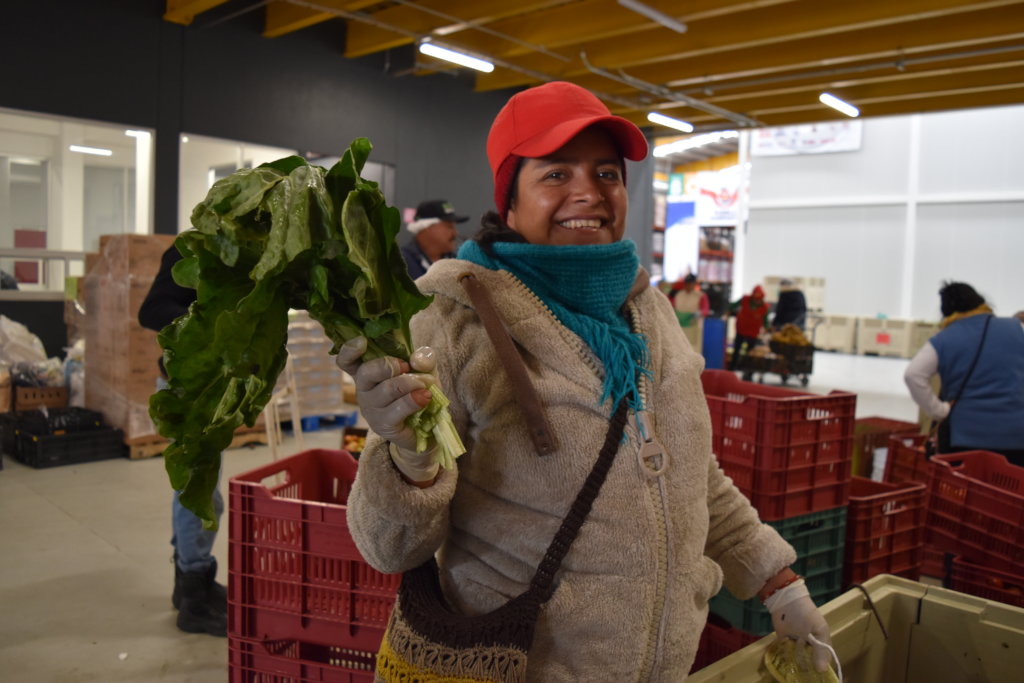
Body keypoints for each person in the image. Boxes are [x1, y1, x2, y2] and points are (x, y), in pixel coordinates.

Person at [338, 81, 833, 679]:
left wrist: (778, 582)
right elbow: (389, 549)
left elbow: (687, 471)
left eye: (606, 174)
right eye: (555, 174)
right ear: (510, 203)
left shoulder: (648, 312)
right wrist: (406, 464)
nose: (588, 193)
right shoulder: (450, 325)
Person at [138, 243, 227, 637]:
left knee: (199, 491)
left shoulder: (247, 256)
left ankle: (192, 585)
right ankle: (194, 598)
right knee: (198, 494)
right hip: (188, 384)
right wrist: (210, 325)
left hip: (213, 384)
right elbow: (151, 310)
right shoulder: (192, 249)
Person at [904, 281, 1024, 465]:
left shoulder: (944, 339)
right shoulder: (1016, 328)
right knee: (1009, 490)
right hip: (1015, 437)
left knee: (964, 490)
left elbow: (913, 374)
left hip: (966, 438)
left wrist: (939, 411)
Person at [400, 199, 467, 279]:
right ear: (428, 227)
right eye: (449, 227)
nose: (455, 233)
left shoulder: (456, 263)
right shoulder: (399, 263)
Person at [728, 284, 770, 373]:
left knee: (750, 353)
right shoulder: (745, 299)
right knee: (736, 351)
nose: (757, 300)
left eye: (759, 299)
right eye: (755, 299)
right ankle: (731, 370)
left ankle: (748, 372)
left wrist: (767, 328)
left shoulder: (764, 307)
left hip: (753, 332)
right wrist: (730, 311)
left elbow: (765, 320)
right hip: (741, 329)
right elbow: (732, 306)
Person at [674, 273, 710, 354]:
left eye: (691, 283)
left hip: (694, 326)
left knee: (693, 350)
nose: (689, 285)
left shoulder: (700, 295)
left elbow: (705, 310)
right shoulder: (679, 295)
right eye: (687, 283)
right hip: (680, 327)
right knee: (679, 349)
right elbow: (673, 307)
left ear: (694, 284)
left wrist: (698, 313)